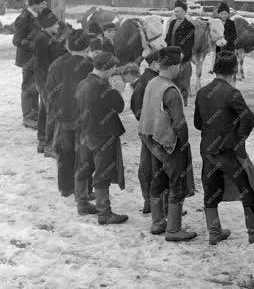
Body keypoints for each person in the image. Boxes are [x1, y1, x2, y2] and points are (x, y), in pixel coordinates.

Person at [194, 51, 254, 245]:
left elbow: (198, 123)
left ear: (214, 69)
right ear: (234, 70)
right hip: (229, 152)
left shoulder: (202, 92)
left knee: (211, 189)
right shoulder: (233, 93)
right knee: (248, 188)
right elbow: (249, 118)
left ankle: (214, 232)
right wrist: (237, 139)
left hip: (207, 150)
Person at [139, 46, 196, 242]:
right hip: (169, 143)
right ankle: (173, 229)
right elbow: (179, 122)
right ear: (172, 66)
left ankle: (157, 222)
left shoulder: (152, 82)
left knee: (158, 181)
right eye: (179, 64)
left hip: (152, 141)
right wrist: (184, 143)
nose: (181, 68)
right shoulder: (170, 90)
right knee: (177, 184)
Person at [75, 52, 128, 225]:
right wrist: (116, 90)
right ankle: (104, 213)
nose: (113, 71)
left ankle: (82, 203)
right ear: (106, 68)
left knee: (84, 168)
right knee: (102, 172)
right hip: (103, 135)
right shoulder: (103, 87)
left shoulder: (82, 83)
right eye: (112, 68)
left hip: (85, 133)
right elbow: (119, 107)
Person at [46, 30, 95, 208]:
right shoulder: (90, 64)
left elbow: (49, 92)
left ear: (68, 45)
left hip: (63, 116)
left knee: (64, 152)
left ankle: (65, 187)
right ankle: (84, 190)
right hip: (84, 118)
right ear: (87, 47)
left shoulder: (57, 64)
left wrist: (54, 114)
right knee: (84, 154)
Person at [130, 49, 161, 214]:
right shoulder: (155, 81)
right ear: (155, 63)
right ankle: (158, 206)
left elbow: (134, 106)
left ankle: (148, 202)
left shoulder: (142, 79)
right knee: (157, 168)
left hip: (145, 130)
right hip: (156, 132)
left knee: (146, 166)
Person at [33, 8, 67, 155]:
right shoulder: (42, 38)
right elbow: (42, 63)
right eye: (55, 24)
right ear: (48, 25)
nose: (58, 26)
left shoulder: (48, 36)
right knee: (52, 111)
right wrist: (53, 79)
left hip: (46, 79)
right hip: (45, 80)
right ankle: (49, 145)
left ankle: (42, 140)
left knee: (44, 110)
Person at [13, 0, 47, 129]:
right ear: (33, 4)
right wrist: (35, 45)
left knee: (37, 87)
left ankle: (35, 114)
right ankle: (28, 117)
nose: (44, 6)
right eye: (41, 3)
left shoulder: (40, 15)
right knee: (28, 88)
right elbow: (17, 40)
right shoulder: (23, 18)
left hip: (40, 59)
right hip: (28, 59)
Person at [164, 0, 195, 107]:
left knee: (184, 81)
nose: (175, 13)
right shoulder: (172, 23)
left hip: (184, 59)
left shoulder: (189, 26)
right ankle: (173, 102)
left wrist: (183, 54)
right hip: (172, 57)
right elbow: (168, 38)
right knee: (172, 80)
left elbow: (189, 44)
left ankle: (183, 103)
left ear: (184, 12)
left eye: (178, 11)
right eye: (175, 11)